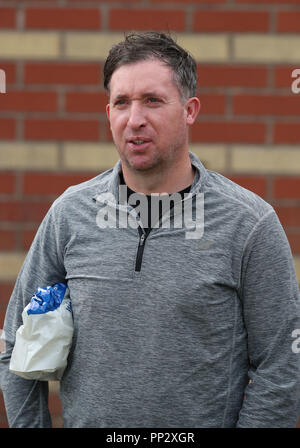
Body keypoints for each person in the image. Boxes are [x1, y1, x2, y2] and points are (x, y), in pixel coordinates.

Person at [0, 31, 300, 428]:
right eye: (121, 103)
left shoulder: (249, 224)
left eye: (152, 101)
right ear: (109, 114)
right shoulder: (69, 215)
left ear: (189, 110)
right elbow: (13, 345)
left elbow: (283, 363)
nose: (134, 119)